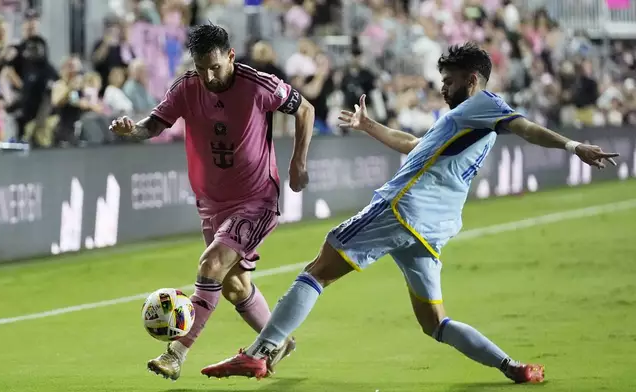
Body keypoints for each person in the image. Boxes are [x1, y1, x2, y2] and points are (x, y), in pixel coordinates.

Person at [200, 42, 619, 383]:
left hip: (400, 209)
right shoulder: (464, 120)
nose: (443, 87)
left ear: (472, 80)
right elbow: (413, 144)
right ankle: (511, 367)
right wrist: (369, 127)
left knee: (317, 270)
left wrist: (571, 146)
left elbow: (525, 126)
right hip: (432, 229)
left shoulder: (485, 105)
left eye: (449, 81)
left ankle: (261, 352)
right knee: (434, 321)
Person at [109, 24, 315, 380]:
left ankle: (175, 354)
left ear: (230, 56)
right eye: (201, 67)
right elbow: (155, 124)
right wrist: (134, 131)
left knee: (210, 265)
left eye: (215, 67)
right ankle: (277, 340)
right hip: (211, 204)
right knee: (236, 287)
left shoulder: (258, 85)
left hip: (256, 199)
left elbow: (305, 109)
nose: (208, 75)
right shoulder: (187, 87)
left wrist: (298, 162)